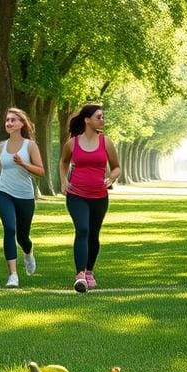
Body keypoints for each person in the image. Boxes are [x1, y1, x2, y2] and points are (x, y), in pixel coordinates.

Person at [59, 103, 121, 293]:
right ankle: (79, 275)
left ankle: (89, 271)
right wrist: (63, 181)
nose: (102, 120)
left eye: (102, 117)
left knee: (93, 234)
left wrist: (112, 176)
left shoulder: (106, 142)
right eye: (99, 117)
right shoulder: (73, 143)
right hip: (76, 194)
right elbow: (63, 162)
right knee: (83, 230)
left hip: (99, 196)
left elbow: (117, 166)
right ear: (87, 119)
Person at [0, 108, 46, 287]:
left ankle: (28, 253)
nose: (9, 123)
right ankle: (13, 275)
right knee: (9, 229)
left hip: (25, 196)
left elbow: (41, 171)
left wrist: (23, 163)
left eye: (13, 120)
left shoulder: (30, 146)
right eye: (7, 120)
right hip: (4, 193)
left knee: (22, 237)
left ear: (21, 124)